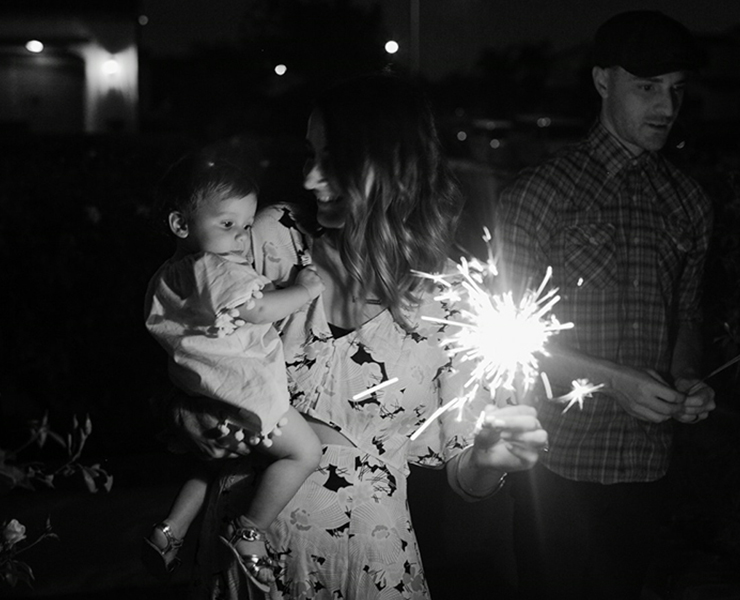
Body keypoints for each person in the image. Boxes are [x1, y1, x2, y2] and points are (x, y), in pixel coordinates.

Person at [191, 72, 549, 600]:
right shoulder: (271, 241)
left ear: (391, 167)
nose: (311, 179)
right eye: (309, 154)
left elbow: (462, 474)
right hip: (242, 558)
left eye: (331, 159)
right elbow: (189, 346)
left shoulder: (450, 300)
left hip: (367, 567)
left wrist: (490, 461)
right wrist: (186, 412)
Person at [495, 10, 716, 600]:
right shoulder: (540, 194)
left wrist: (689, 377)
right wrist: (612, 380)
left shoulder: (688, 200)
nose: (666, 107)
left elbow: (686, 315)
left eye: (676, 89)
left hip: (649, 467)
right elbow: (503, 339)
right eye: (647, 87)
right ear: (602, 81)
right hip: (560, 468)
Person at [142, 149, 324, 593]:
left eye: (245, 227)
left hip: (204, 392)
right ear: (181, 225)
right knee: (305, 452)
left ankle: (169, 530)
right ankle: (250, 531)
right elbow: (259, 308)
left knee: (214, 465)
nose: (242, 239)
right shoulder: (215, 267)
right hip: (246, 391)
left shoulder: (169, 275)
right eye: (228, 225)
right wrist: (302, 289)